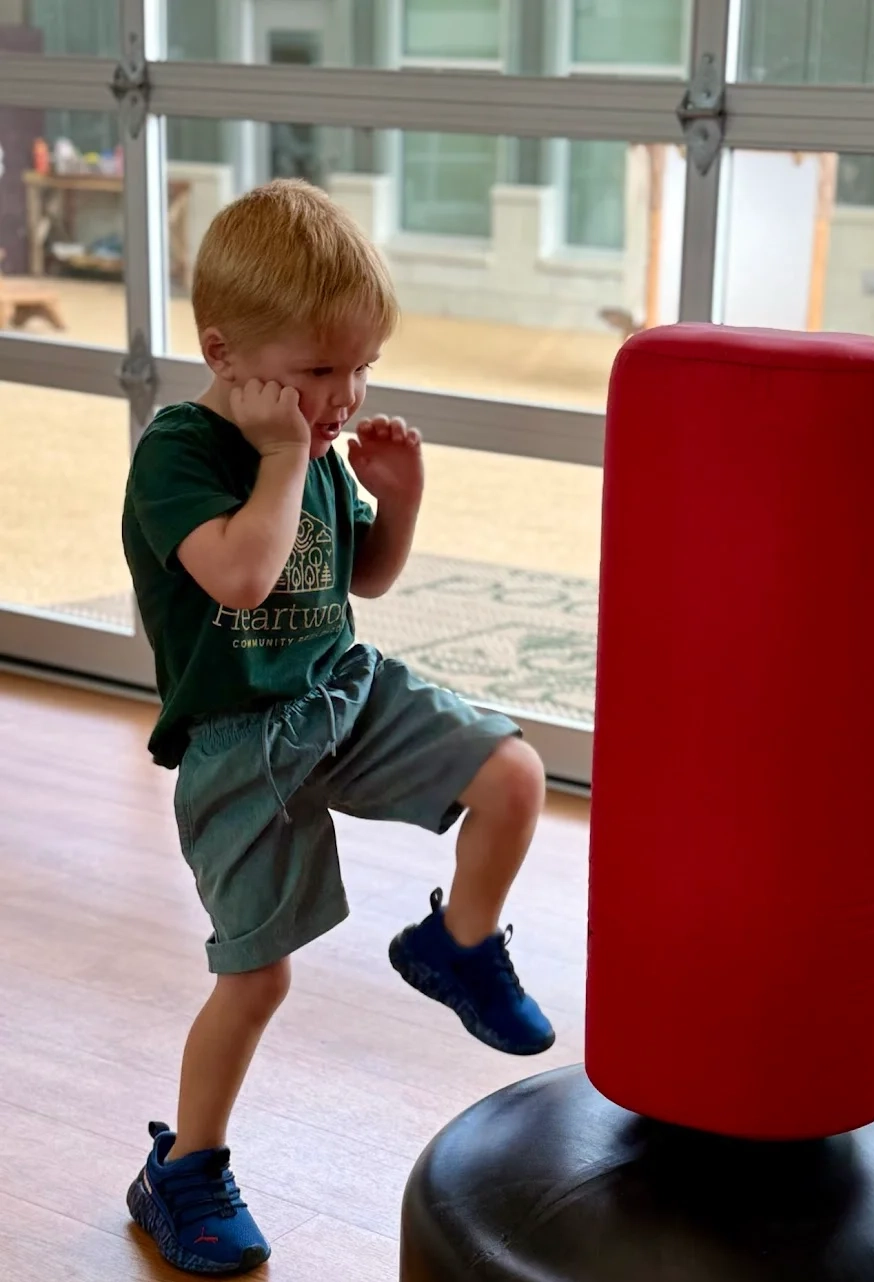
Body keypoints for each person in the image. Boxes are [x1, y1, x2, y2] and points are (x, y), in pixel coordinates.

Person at [121, 179, 555, 1276]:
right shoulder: (181, 453)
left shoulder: (310, 444)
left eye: (361, 368)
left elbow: (365, 575)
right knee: (257, 980)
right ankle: (184, 1170)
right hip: (237, 743)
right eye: (319, 372)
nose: (345, 396)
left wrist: (396, 497)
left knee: (512, 773)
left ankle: (457, 946)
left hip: (343, 692)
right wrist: (281, 459)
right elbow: (247, 576)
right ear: (224, 353)